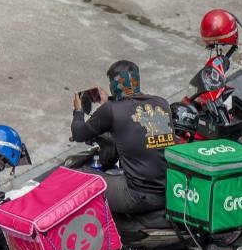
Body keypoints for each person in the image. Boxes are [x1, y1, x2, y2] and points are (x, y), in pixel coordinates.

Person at [71, 60, 173, 215]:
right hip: (167, 191)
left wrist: (78, 110)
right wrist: (108, 102)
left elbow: (78, 134)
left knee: (76, 177)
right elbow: (132, 114)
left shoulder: (112, 110)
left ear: (114, 84)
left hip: (137, 195)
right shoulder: (162, 103)